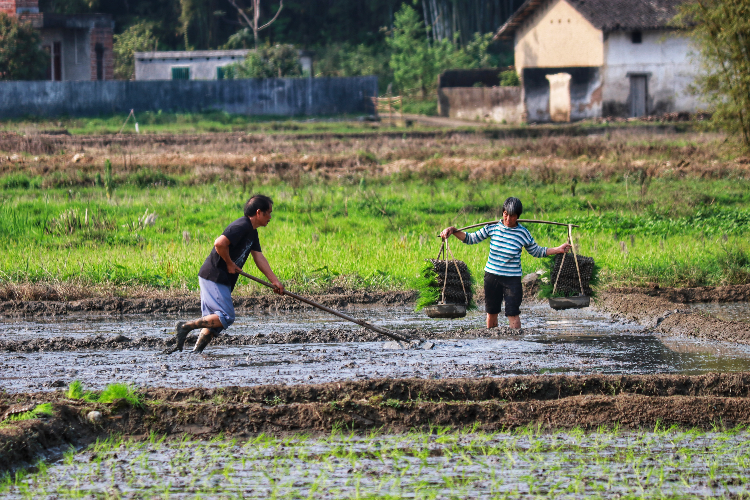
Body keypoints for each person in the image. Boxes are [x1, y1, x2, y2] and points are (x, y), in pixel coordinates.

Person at [171, 194, 284, 354]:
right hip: (215, 275)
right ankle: (185, 326)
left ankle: (195, 354)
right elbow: (219, 243)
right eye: (269, 213)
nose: (270, 217)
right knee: (226, 316)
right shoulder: (242, 226)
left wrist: (275, 282)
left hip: (220, 278)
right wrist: (230, 263)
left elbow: (259, 258)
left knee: (214, 322)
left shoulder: (252, 232)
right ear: (259, 212)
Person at [440, 197, 570, 330]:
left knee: (513, 312)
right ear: (502, 212)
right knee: (491, 312)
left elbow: (537, 251)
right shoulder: (492, 228)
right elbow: (470, 238)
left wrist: (558, 249)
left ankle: (515, 344)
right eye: (505, 214)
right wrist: (453, 230)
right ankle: (492, 339)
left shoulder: (523, 233)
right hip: (492, 277)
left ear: (517, 216)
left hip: (512, 279)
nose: (508, 219)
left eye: (512, 216)